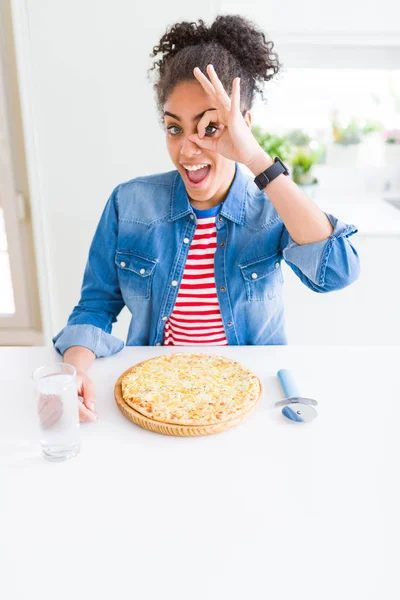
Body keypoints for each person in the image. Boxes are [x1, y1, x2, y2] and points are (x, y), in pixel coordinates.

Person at [52, 14, 360, 423]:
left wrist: (255, 157)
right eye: (174, 128)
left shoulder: (272, 207)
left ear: (243, 126)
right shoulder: (130, 203)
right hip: (157, 395)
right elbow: (95, 304)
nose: (188, 149)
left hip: (253, 399)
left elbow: (338, 272)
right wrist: (72, 372)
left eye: (210, 127)